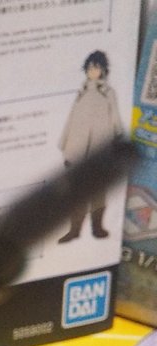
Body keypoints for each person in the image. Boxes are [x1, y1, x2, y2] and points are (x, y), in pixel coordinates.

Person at [57, 50, 124, 243]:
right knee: (76, 192)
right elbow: (72, 119)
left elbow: (115, 116)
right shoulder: (81, 92)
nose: (92, 71)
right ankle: (74, 230)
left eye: (96, 67)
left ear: (103, 70)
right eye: (89, 68)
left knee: (98, 191)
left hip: (99, 148)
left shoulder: (108, 93)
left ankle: (97, 227)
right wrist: (64, 143)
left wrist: (118, 137)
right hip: (76, 148)